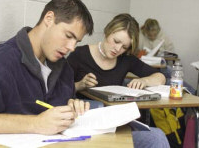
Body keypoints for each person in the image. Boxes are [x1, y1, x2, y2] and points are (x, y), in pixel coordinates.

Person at [0, 0, 94, 135]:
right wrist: (35, 123)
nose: (72, 47)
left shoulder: (65, 68)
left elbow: (63, 105)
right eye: (69, 36)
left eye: (77, 41)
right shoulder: (3, 61)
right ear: (49, 18)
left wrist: (72, 107)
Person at [67, 13, 170, 148]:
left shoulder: (125, 59)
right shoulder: (79, 55)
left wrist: (145, 81)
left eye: (124, 47)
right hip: (87, 124)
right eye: (116, 41)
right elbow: (58, 91)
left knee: (157, 137)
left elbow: (161, 76)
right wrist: (80, 85)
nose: (118, 49)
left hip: (115, 124)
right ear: (107, 31)